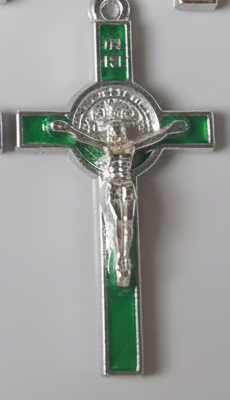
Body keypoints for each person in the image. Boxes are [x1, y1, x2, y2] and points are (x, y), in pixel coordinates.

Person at [50, 116, 187, 287]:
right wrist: (68, 129)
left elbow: (152, 138)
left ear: (122, 132)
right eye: (113, 130)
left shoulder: (131, 145)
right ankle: (119, 258)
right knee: (115, 221)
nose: (115, 133)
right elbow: (85, 138)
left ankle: (125, 256)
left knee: (127, 221)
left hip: (127, 185)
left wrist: (169, 130)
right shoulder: (107, 146)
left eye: (118, 130)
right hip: (113, 184)